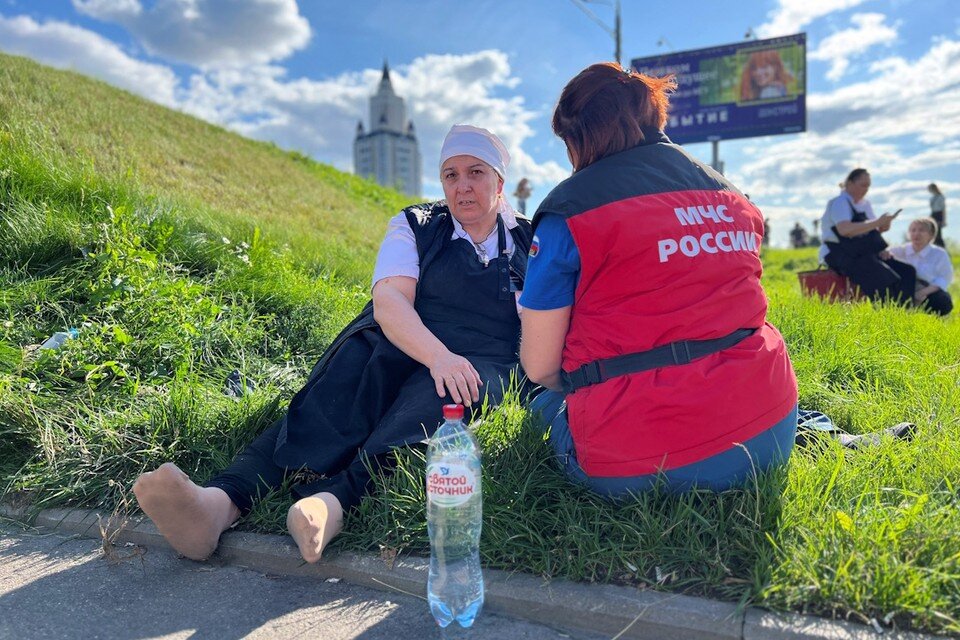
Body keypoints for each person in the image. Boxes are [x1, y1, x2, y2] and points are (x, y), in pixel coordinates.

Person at [133, 124, 532, 562]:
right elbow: (392, 300)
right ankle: (215, 506)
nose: (462, 186)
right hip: (404, 333)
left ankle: (329, 507)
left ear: (499, 181)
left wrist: (454, 366)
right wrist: (437, 356)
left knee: (432, 405)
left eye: (475, 172)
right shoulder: (416, 225)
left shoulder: (529, 242)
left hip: (481, 357)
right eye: (450, 175)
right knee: (336, 392)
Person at [519, 62, 798, 498]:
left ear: (579, 138)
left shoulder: (571, 209)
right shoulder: (735, 198)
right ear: (654, 114)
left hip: (637, 463)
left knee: (543, 403)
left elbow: (540, 367)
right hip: (769, 430)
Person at [818, 168, 916, 304]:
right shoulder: (839, 202)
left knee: (907, 271)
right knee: (883, 277)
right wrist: (877, 222)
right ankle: (887, 317)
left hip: (862, 252)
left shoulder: (866, 204)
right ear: (850, 183)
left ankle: (906, 312)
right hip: (839, 253)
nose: (866, 189)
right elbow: (845, 230)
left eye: (868, 186)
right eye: (863, 185)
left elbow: (871, 230)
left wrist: (883, 226)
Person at [888, 217, 953, 315]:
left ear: (931, 235)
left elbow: (944, 278)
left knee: (943, 301)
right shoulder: (902, 250)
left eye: (921, 230)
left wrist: (922, 293)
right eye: (913, 230)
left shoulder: (939, 254)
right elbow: (884, 253)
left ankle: (929, 321)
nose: (916, 233)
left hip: (928, 290)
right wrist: (885, 253)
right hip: (903, 290)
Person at [928, 183, 946, 248]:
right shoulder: (932, 198)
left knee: (938, 233)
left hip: (939, 214)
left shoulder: (941, 196)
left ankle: (942, 248)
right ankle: (934, 247)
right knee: (932, 231)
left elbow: (943, 209)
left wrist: (944, 220)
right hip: (933, 214)